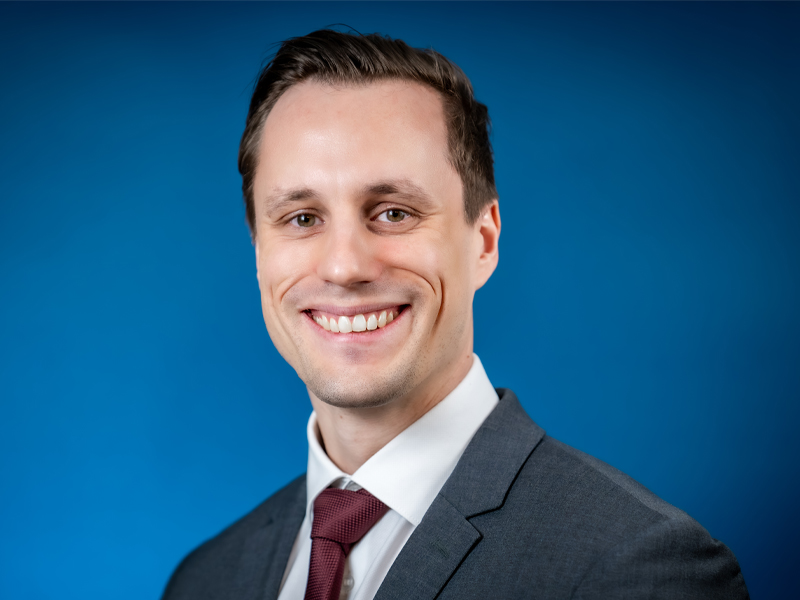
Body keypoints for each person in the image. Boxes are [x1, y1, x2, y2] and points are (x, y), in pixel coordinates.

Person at [161, 29, 748, 600]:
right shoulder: (207, 581)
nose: (343, 267)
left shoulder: (639, 568)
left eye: (393, 213)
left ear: (483, 241)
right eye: (302, 219)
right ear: (259, 250)